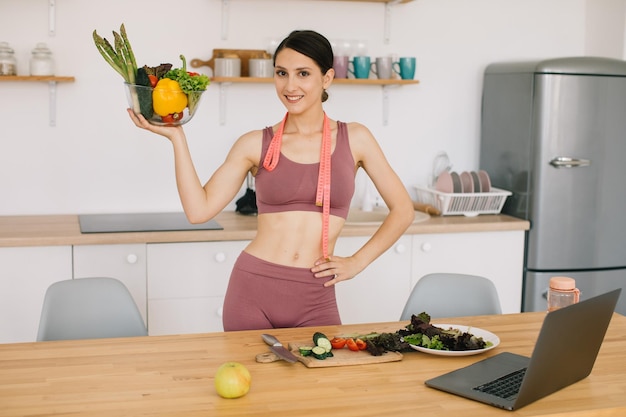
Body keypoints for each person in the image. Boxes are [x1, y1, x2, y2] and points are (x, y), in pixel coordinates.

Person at [127, 30, 415, 331]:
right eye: (281, 73)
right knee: (249, 379)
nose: (290, 86)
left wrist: (357, 262)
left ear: (326, 78)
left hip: (316, 294)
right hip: (253, 289)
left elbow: (403, 210)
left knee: (322, 377)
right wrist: (177, 138)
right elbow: (198, 211)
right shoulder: (255, 143)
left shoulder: (355, 138)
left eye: (303, 73)